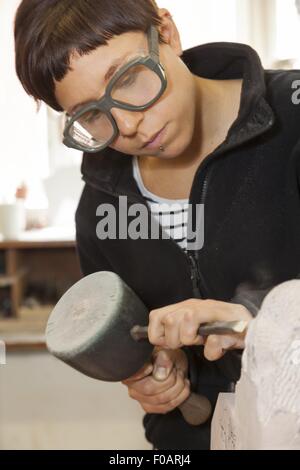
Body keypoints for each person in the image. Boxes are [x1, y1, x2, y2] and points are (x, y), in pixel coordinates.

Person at [14, 0, 300, 450]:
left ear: (166, 33)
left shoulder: (293, 122)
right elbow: (139, 343)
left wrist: (256, 327)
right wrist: (158, 371)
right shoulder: (101, 208)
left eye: (128, 78)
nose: (127, 125)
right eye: (91, 114)